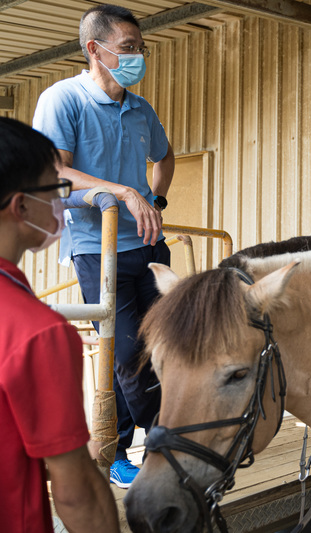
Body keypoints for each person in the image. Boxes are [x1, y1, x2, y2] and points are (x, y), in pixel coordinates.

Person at [32, 4, 175, 488]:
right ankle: (165, 455)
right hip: (97, 245)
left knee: (160, 349)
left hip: (148, 244)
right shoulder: (63, 99)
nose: (137, 57)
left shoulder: (140, 108)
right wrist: (124, 192)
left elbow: (165, 156)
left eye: (140, 49)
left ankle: (114, 449)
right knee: (130, 355)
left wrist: (154, 197)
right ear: (95, 50)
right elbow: (56, 173)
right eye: (128, 48)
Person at [0, 117, 120, 532]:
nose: (62, 202)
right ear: (20, 206)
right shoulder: (37, 332)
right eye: (55, 189)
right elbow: (75, 492)